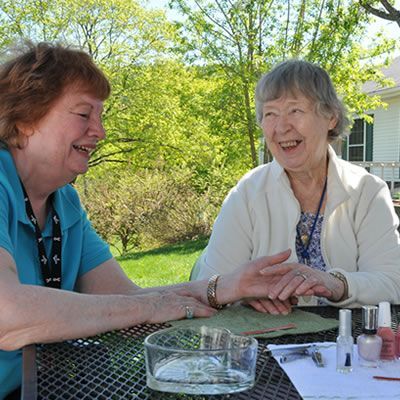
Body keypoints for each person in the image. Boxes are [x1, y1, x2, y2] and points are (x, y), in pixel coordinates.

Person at [0, 42, 293, 399]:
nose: (100, 132)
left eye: (100, 117)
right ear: (26, 118)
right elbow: (7, 313)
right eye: (83, 115)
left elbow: (123, 298)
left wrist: (224, 288)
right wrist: (146, 307)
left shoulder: (65, 203)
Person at [192, 59, 400, 315]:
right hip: (263, 347)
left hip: (350, 347)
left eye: (295, 111)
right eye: (270, 114)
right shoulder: (247, 193)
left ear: (331, 117)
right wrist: (241, 294)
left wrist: (335, 284)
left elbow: (391, 282)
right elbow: (208, 284)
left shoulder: (367, 191)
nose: (281, 127)